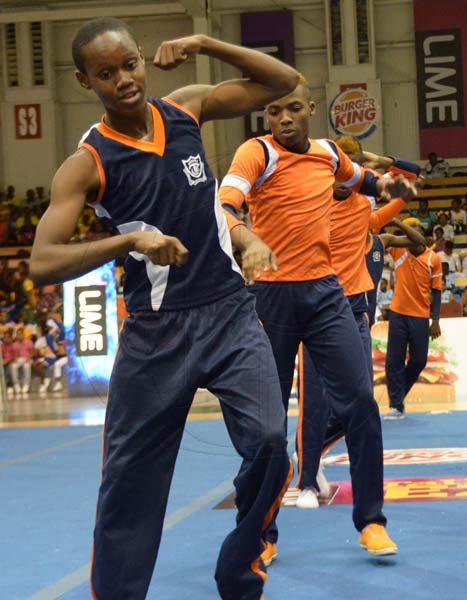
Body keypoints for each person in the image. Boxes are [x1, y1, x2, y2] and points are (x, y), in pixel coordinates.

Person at [30, 17, 300, 600]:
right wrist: (128, 240)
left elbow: (284, 80)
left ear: (141, 61)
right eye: (106, 73)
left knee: (271, 443)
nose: (124, 79)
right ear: (85, 81)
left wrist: (204, 44)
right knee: (129, 483)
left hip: (229, 313)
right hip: (156, 335)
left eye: (130, 63)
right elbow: (42, 262)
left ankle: (240, 566)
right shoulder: (87, 162)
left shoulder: (184, 111)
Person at [219, 80, 417, 560]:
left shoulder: (328, 153)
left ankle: (371, 521)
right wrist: (245, 237)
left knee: (362, 404)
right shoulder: (256, 152)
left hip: (326, 293)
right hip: (270, 298)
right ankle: (259, 535)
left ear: (310, 109)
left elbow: (360, 181)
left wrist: (390, 185)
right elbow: (224, 204)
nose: (283, 119)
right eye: (273, 111)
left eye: (292, 109)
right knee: (266, 427)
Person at [385, 230, 443, 419]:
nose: (406, 243)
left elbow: (436, 292)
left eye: (411, 239)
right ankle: (396, 405)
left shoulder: (432, 259)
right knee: (394, 360)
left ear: (422, 240)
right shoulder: (398, 252)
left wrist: (435, 321)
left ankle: (398, 394)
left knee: (419, 361)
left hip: (420, 316)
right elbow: (381, 235)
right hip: (398, 313)